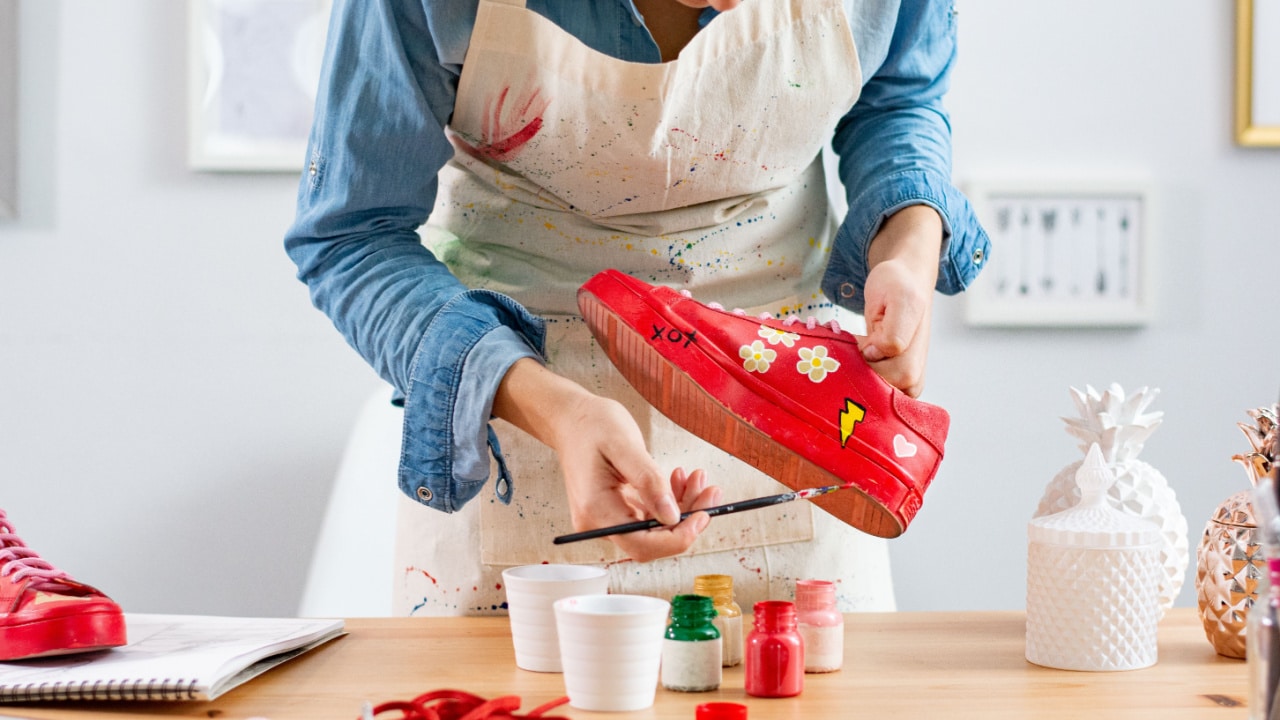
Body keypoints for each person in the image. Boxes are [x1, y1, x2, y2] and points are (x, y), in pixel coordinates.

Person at [285, 0, 990, 616]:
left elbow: (897, 100)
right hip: (523, 444)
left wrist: (908, 243)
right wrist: (553, 410)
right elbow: (352, 234)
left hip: (793, 430)